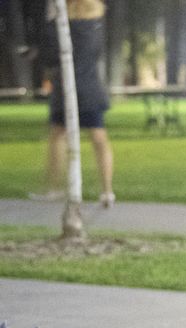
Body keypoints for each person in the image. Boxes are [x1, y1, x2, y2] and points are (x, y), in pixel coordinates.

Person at [33, 0, 115, 207]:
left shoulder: (61, 25)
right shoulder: (96, 24)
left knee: (58, 136)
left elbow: (51, 56)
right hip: (90, 86)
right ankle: (107, 190)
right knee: (99, 137)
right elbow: (94, 53)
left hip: (66, 88)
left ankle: (54, 187)